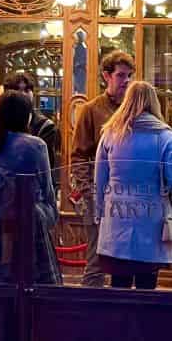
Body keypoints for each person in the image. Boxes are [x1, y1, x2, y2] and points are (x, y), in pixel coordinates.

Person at [0, 91, 61, 284]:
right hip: (30, 217)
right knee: (33, 281)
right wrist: (51, 214)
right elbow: (46, 185)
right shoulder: (36, 145)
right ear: (25, 116)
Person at [95, 81, 172, 290]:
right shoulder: (164, 136)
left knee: (119, 285)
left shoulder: (110, 134)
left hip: (116, 218)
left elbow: (100, 180)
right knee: (147, 288)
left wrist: (99, 214)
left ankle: (117, 323)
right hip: (151, 219)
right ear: (154, 103)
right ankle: (144, 324)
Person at [70, 50, 135, 288]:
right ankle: (90, 313)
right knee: (96, 259)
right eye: (121, 75)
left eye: (129, 76)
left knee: (125, 259)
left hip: (127, 196)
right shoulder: (91, 109)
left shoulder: (134, 111)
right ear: (107, 76)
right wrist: (88, 192)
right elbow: (78, 156)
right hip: (98, 195)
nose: (126, 81)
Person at [1, 72, 59, 175]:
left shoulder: (45, 126)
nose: (23, 94)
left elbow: (46, 167)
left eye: (27, 90)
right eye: (17, 90)